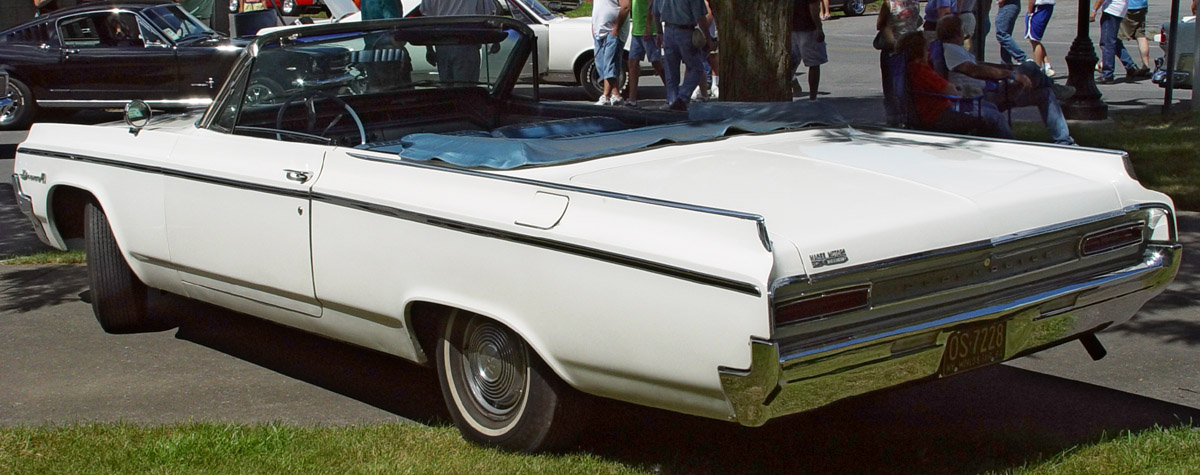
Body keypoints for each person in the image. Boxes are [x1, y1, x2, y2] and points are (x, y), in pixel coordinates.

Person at [939, 15, 1075, 144]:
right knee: (1030, 66)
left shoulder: (956, 49)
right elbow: (974, 70)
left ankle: (1064, 141)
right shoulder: (950, 50)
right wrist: (1011, 74)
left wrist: (1010, 68)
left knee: (1044, 93)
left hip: (993, 90)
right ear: (957, 32)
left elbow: (979, 65)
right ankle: (1055, 88)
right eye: (963, 29)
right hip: (983, 96)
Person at [898, 33, 1013, 138]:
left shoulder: (914, 68)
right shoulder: (920, 70)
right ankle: (1010, 145)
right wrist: (958, 91)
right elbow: (950, 90)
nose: (929, 53)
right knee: (994, 117)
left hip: (940, 109)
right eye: (927, 50)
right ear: (918, 51)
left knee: (991, 107)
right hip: (938, 115)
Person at [653, 0, 713, 111]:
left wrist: (659, 32)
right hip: (686, 32)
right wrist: (708, 37)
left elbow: (655, 12)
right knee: (697, 68)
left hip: (668, 30)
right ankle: (682, 98)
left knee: (671, 70)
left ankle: (671, 100)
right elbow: (700, 16)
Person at [420, 0, 497, 84]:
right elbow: (487, 14)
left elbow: (426, 19)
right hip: (466, 44)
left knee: (447, 90)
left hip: (442, 45)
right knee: (465, 90)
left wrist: (429, 48)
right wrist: (494, 38)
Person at [878, 0, 923, 125]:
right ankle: (908, 116)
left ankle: (894, 118)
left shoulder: (889, 4)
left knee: (891, 86)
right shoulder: (915, 3)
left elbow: (880, 25)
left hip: (894, 48)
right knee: (909, 83)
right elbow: (918, 21)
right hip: (911, 47)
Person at [624, 0, 664, 107]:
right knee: (632, 64)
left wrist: (647, 27)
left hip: (649, 32)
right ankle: (632, 98)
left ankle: (671, 92)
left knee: (656, 63)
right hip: (636, 31)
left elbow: (652, 7)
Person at [592, 0, 631, 106]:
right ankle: (616, 95)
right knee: (601, 65)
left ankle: (606, 96)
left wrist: (616, 28)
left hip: (613, 32)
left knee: (610, 64)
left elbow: (626, 7)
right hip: (598, 31)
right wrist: (593, 26)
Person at [1090, 0, 1139, 84]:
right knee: (1114, 41)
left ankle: (1107, 74)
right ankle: (1130, 66)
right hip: (1119, 9)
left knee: (1107, 43)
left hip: (1112, 10)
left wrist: (1094, 10)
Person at [791, 0, 827, 101]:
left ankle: (792, 79)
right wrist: (818, 27)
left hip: (791, 27)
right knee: (814, 63)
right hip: (807, 27)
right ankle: (813, 97)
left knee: (792, 61)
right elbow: (813, 8)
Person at [1118, 0, 1151, 78]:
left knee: (1114, 37)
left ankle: (1104, 64)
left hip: (1128, 6)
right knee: (1140, 35)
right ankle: (1146, 65)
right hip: (1142, 5)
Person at [1025, 0, 1056, 76]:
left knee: (1034, 40)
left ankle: (1037, 70)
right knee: (1035, 39)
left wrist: (1029, 11)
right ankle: (1047, 65)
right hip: (1048, 6)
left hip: (1039, 8)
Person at [995, 0, 1030, 65]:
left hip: (1008, 5)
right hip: (1010, 5)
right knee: (1005, 35)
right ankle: (1006, 63)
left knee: (1002, 35)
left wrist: (1000, 1)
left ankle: (1022, 58)